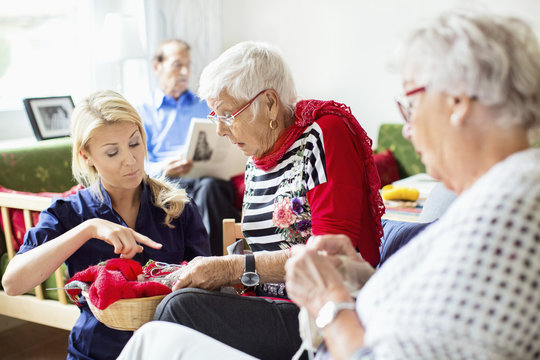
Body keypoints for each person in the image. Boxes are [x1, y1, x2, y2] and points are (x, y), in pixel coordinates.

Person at [119, 10, 540, 360]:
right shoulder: (488, 201)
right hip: (319, 322)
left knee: (164, 328)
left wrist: (327, 300)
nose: (407, 129)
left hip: (319, 327)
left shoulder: (510, 211)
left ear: (458, 103)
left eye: (411, 104)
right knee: (160, 330)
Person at [152, 41, 385, 360]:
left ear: (271, 103)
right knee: (174, 299)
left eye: (226, 114)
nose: (219, 129)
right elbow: (262, 253)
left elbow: (330, 254)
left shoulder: (323, 134)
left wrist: (231, 268)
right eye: (214, 115)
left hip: (319, 313)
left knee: (178, 310)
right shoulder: (256, 159)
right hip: (272, 303)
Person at [1, 90, 211, 360]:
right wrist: (88, 229)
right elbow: (13, 283)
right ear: (86, 156)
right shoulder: (68, 213)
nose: (130, 160)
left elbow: (206, 289)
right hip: (95, 352)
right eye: (112, 152)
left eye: (135, 143)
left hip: (169, 349)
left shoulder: (178, 207)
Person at [137, 38, 240, 256]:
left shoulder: (204, 104)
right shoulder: (142, 111)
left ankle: (217, 263)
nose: (185, 71)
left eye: (188, 65)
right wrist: (163, 168)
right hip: (166, 180)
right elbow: (137, 161)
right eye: (177, 64)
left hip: (204, 179)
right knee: (167, 194)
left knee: (212, 188)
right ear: (157, 66)